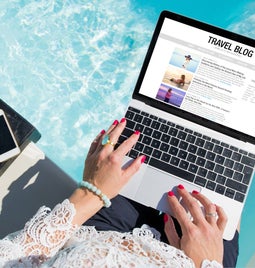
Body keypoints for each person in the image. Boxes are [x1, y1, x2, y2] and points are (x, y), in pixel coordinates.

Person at [0, 118, 239, 267]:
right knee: (222, 208)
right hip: (195, 261)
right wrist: (207, 263)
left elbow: (11, 260)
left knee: (133, 157)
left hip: (100, 238)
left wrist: (92, 192)